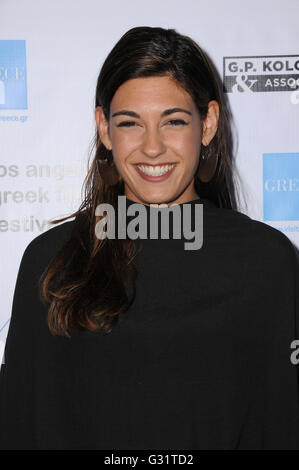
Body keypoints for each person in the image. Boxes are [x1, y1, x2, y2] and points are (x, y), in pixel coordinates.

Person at [0, 26, 298, 450]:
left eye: (173, 121)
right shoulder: (52, 260)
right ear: (105, 129)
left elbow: (282, 422)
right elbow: (21, 424)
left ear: (208, 123)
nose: (152, 147)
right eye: (130, 123)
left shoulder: (266, 261)